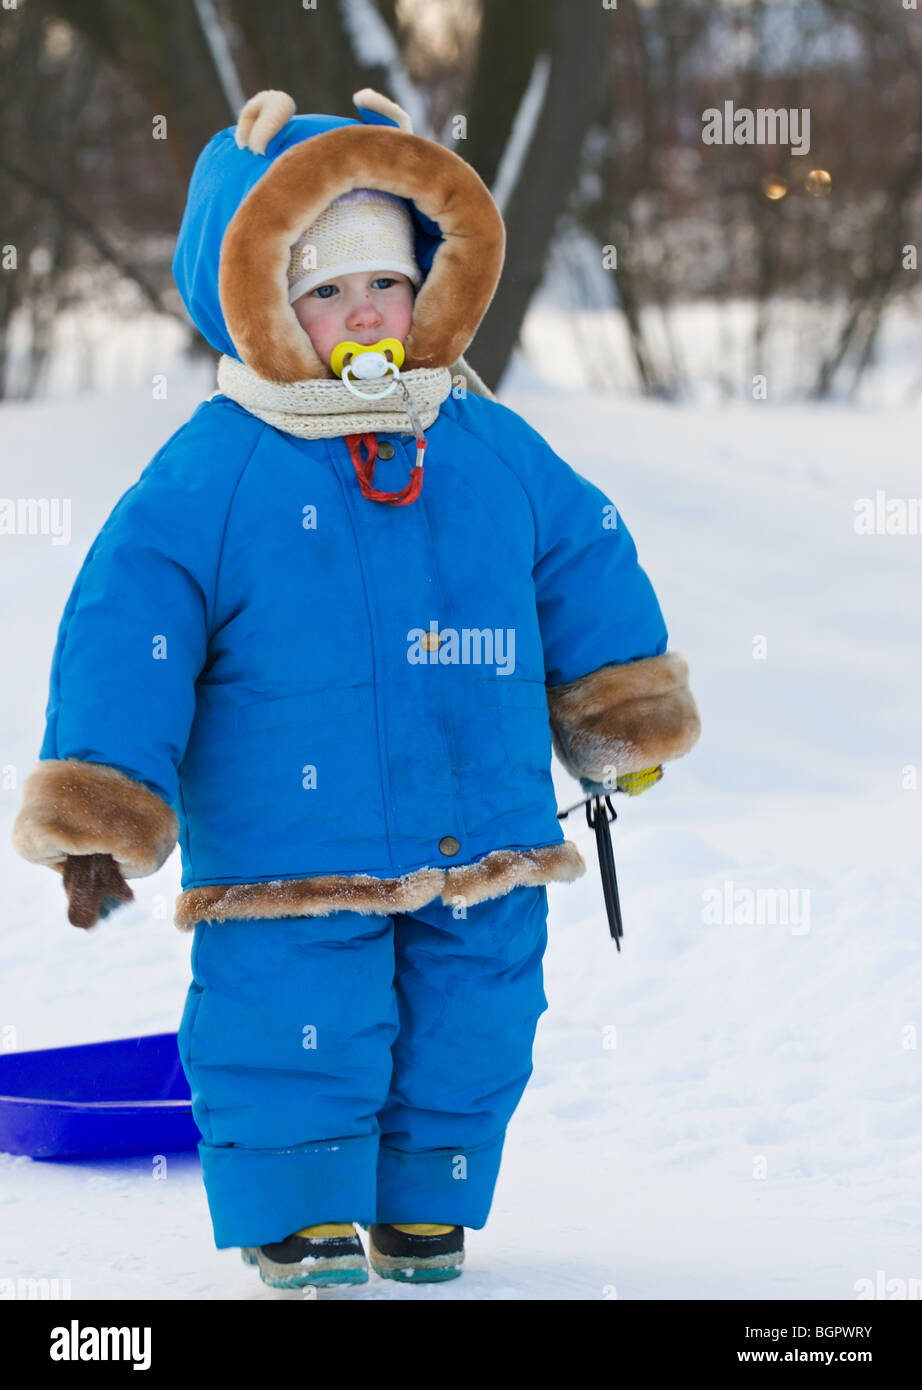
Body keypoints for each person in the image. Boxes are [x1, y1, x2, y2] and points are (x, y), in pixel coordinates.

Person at [10, 88, 701, 1291]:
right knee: (293, 1022)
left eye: (385, 281)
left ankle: (423, 1204)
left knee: (476, 1018)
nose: (363, 312)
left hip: (481, 823)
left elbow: (582, 557)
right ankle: (298, 1214)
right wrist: (105, 801)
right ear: (260, 303)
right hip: (293, 845)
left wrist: (609, 718)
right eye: (323, 290)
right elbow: (132, 626)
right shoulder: (216, 470)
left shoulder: (484, 441)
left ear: (429, 283)